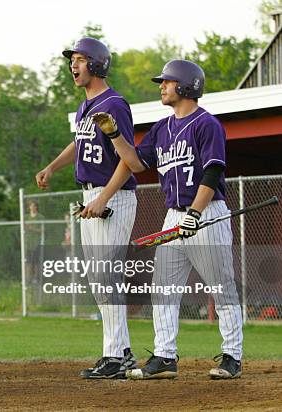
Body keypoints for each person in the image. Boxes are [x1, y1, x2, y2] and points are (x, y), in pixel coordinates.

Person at [96, 59, 243, 379]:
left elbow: (213, 169)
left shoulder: (207, 125)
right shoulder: (161, 129)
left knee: (222, 287)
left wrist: (195, 213)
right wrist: (115, 135)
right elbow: (135, 163)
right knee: (163, 288)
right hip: (173, 217)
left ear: (186, 86)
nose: (161, 86)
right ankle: (165, 356)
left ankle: (232, 357)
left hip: (207, 214)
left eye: (167, 81)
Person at [35, 37, 137, 379]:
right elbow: (79, 141)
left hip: (112, 198)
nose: (72, 66)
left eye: (79, 59)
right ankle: (118, 352)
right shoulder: (85, 107)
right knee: (99, 280)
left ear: (96, 64)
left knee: (107, 278)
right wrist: (52, 167)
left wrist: (103, 198)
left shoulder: (115, 103)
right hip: (91, 199)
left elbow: (128, 159)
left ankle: (117, 355)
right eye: (72, 60)